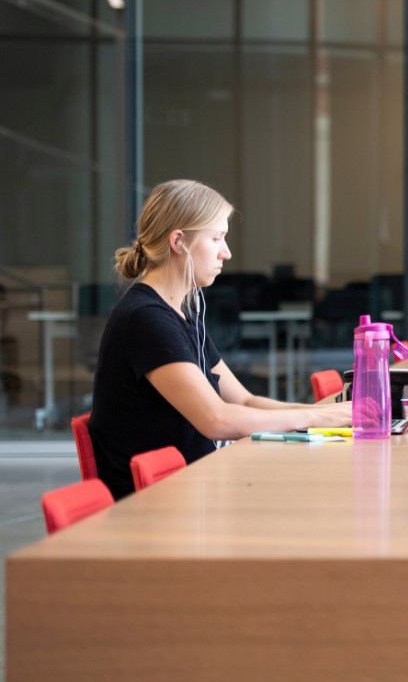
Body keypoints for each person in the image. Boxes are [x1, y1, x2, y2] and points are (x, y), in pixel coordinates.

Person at [89, 180, 351, 500]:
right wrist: (322, 417)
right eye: (216, 238)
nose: (226, 253)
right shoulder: (146, 319)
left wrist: (333, 417)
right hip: (157, 507)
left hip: (193, 491)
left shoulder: (181, 315)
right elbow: (217, 419)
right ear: (178, 242)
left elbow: (242, 401)